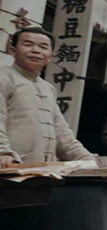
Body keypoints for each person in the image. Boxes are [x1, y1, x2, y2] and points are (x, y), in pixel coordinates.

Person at [0, 27, 93, 165]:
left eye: (43, 47)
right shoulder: (4, 77)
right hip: (8, 168)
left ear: (50, 56)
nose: (35, 50)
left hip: (40, 172)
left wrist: (88, 160)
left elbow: (61, 132)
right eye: (27, 44)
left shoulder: (48, 88)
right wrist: (3, 152)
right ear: (12, 50)